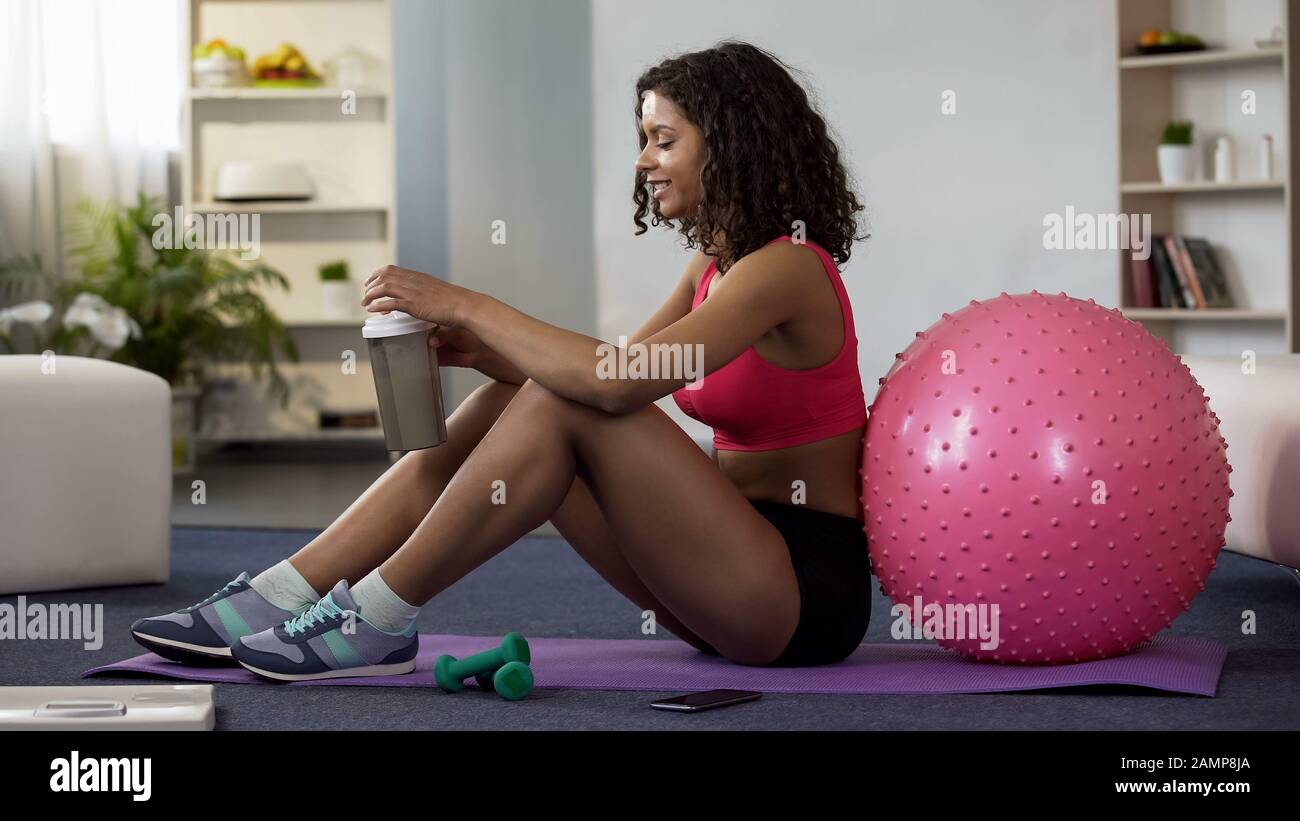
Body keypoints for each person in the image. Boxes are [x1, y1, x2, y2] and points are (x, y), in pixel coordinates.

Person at [131, 40, 873, 678]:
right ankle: (284, 591)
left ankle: (380, 615)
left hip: (798, 593)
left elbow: (610, 387)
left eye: (664, 139)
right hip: (715, 577)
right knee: (508, 401)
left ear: (731, 144)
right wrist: (493, 357)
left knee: (561, 397)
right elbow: (611, 372)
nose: (644, 159)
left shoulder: (789, 268)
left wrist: (465, 304)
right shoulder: (714, 265)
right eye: (644, 138)